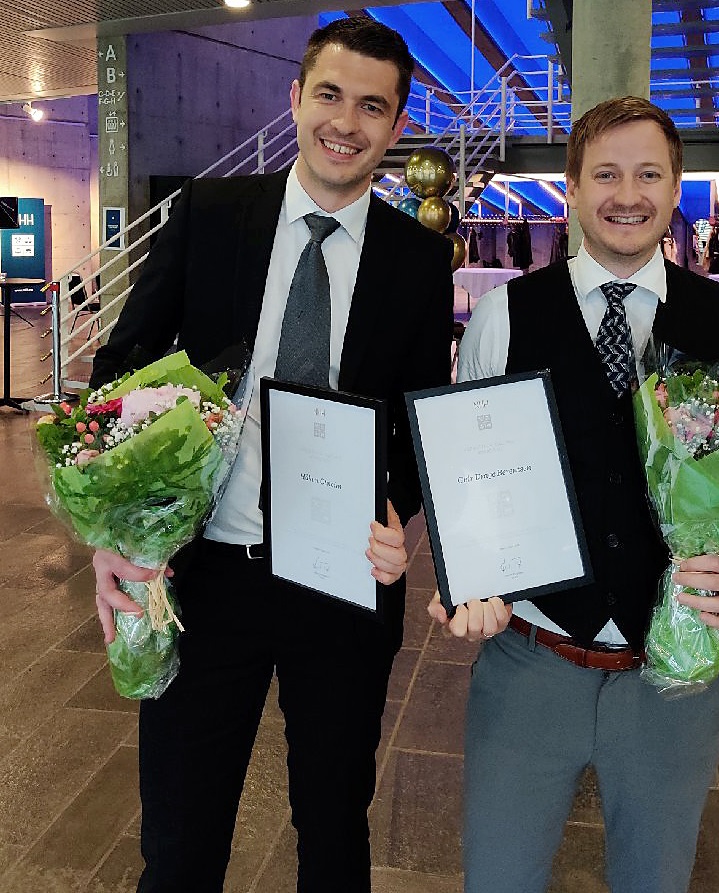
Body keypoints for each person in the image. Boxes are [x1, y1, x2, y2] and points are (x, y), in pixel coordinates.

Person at [90, 18, 454, 893]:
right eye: (329, 94)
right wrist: (113, 529)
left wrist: (402, 514)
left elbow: (411, 416)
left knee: (333, 829)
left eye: (373, 106)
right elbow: (118, 377)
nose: (346, 121)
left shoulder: (417, 260)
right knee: (179, 839)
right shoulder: (212, 219)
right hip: (205, 573)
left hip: (343, 585)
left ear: (396, 129)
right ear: (293, 98)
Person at [429, 96, 719, 893]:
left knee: (653, 878)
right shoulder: (503, 314)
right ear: (570, 189)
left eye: (646, 174)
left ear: (674, 191)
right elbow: (467, 469)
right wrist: (467, 576)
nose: (625, 194)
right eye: (604, 173)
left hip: (670, 667)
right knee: (496, 876)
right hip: (531, 658)